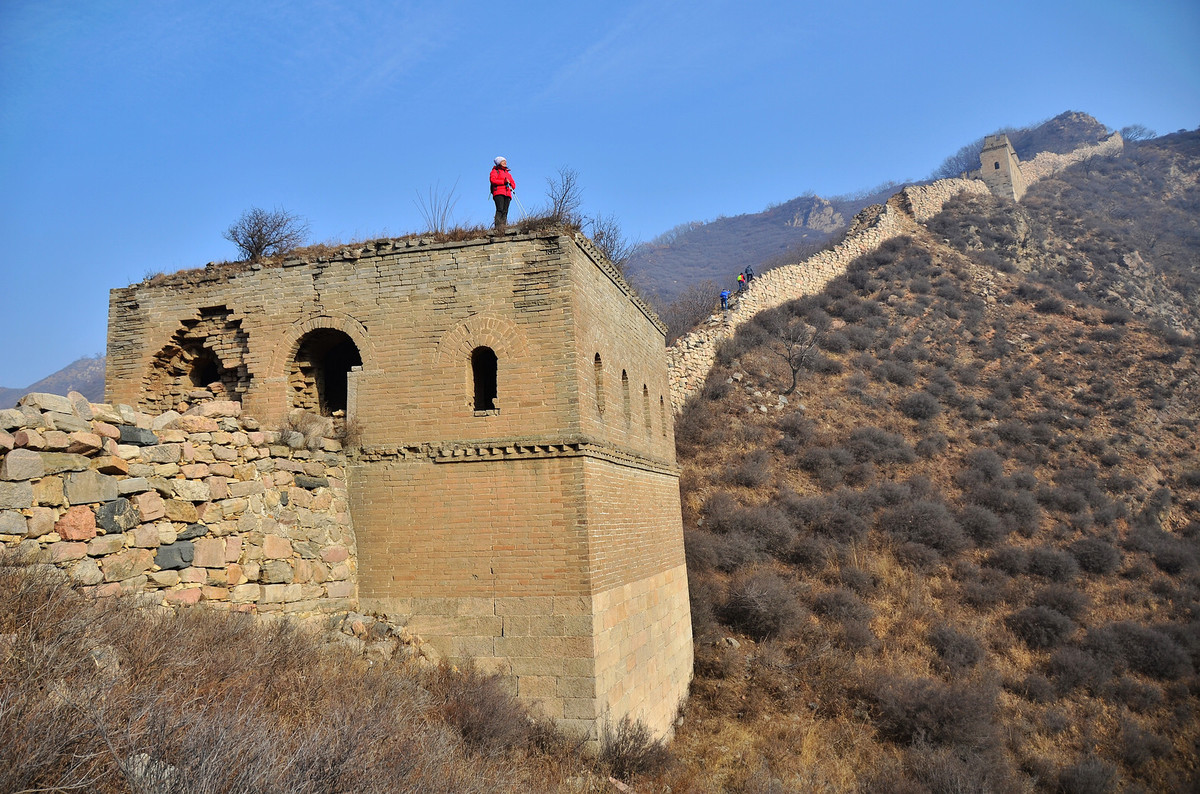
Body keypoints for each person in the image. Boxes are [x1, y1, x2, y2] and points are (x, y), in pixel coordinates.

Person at [489, 156, 515, 229]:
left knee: (505, 211)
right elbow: (493, 180)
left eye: (505, 161)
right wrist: (504, 182)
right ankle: (497, 227)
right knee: (500, 209)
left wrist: (510, 184)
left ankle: (503, 226)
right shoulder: (494, 171)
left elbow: (513, 184)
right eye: (503, 161)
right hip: (498, 193)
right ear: (499, 163)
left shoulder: (508, 173)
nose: (505, 163)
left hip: (507, 193)